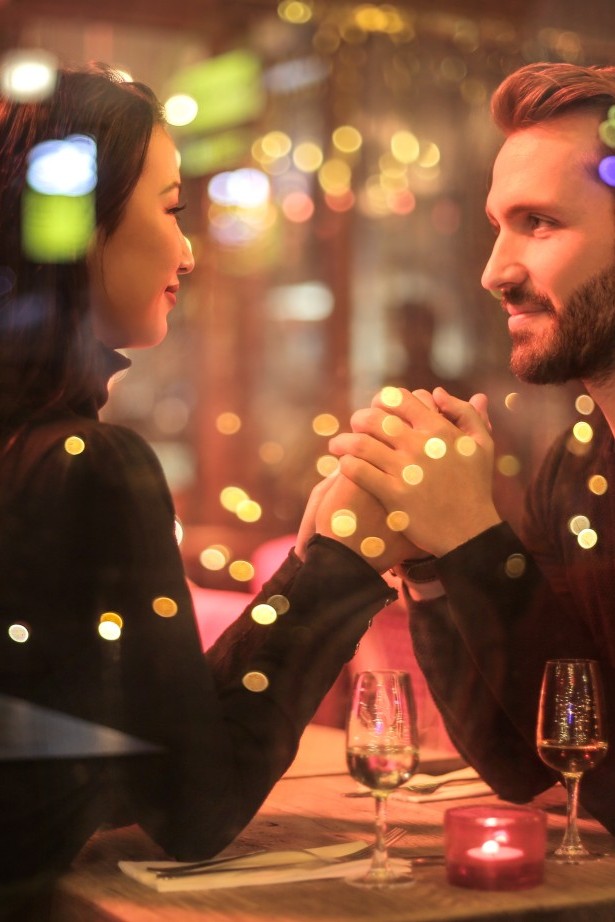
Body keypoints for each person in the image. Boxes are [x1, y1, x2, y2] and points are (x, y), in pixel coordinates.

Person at [0, 63, 411, 920]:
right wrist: (337, 562)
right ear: (83, 229)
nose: (188, 250)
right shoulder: (88, 465)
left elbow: (112, 761)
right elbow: (192, 807)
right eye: (171, 208)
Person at [325, 63, 615, 836]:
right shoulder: (578, 466)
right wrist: (429, 566)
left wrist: (471, 540)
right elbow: (528, 763)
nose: (495, 272)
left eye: (540, 223)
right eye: (498, 225)